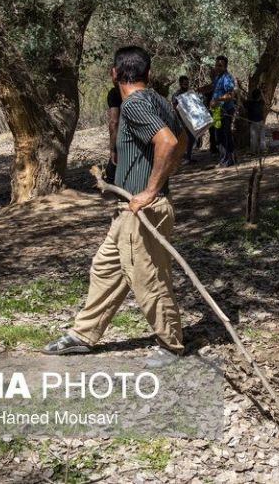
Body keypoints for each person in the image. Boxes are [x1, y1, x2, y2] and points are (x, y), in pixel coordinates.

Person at [42, 46, 188, 368]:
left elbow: (168, 142)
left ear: (114, 74)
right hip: (128, 211)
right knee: (105, 268)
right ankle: (83, 335)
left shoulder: (134, 104)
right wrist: (163, 178)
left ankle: (171, 345)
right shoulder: (159, 101)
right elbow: (183, 140)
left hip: (142, 212)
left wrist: (151, 190)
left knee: (148, 279)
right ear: (148, 74)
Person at [210, 55, 237, 167]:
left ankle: (229, 159)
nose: (217, 67)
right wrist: (202, 89)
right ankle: (224, 159)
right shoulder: (218, 77)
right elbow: (214, 88)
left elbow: (231, 94)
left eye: (220, 65)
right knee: (218, 135)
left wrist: (217, 99)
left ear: (225, 67)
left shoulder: (227, 78)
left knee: (225, 134)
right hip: (217, 111)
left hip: (225, 111)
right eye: (216, 65)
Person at [171, 75, 196, 163]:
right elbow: (175, 107)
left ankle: (188, 157)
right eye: (185, 83)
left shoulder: (190, 93)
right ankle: (184, 158)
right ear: (180, 84)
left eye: (187, 83)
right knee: (186, 138)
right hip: (181, 120)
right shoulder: (176, 95)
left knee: (192, 138)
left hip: (191, 119)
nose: (186, 85)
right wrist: (181, 119)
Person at [104, 79, 122, 183]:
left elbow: (114, 121)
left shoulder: (115, 93)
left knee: (112, 176)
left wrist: (112, 149)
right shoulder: (144, 92)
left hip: (123, 140)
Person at [244, 88, 266, 154]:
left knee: (253, 137)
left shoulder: (249, 103)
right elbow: (264, 101)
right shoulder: (261, 102)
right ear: (259, 96)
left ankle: (253, 150)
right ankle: (263, 149)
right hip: (260, 121)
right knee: (262, 136)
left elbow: (244, 105)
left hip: (253, 122)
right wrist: (262, 93)